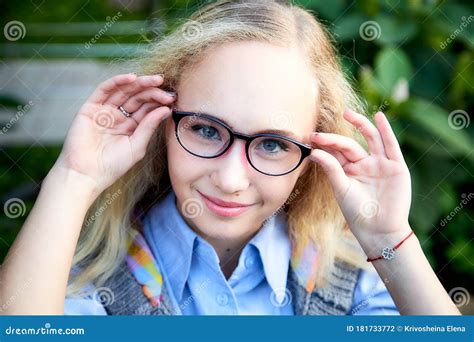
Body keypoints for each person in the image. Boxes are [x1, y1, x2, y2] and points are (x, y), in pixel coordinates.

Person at [0, 0, 460, 315]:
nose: (230, 179)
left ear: (314, 154)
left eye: (273, 144)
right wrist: (74, 178)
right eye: (204, 129)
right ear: (163, 119)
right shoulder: (97, 278)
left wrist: (389, 239)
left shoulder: (350, 283)